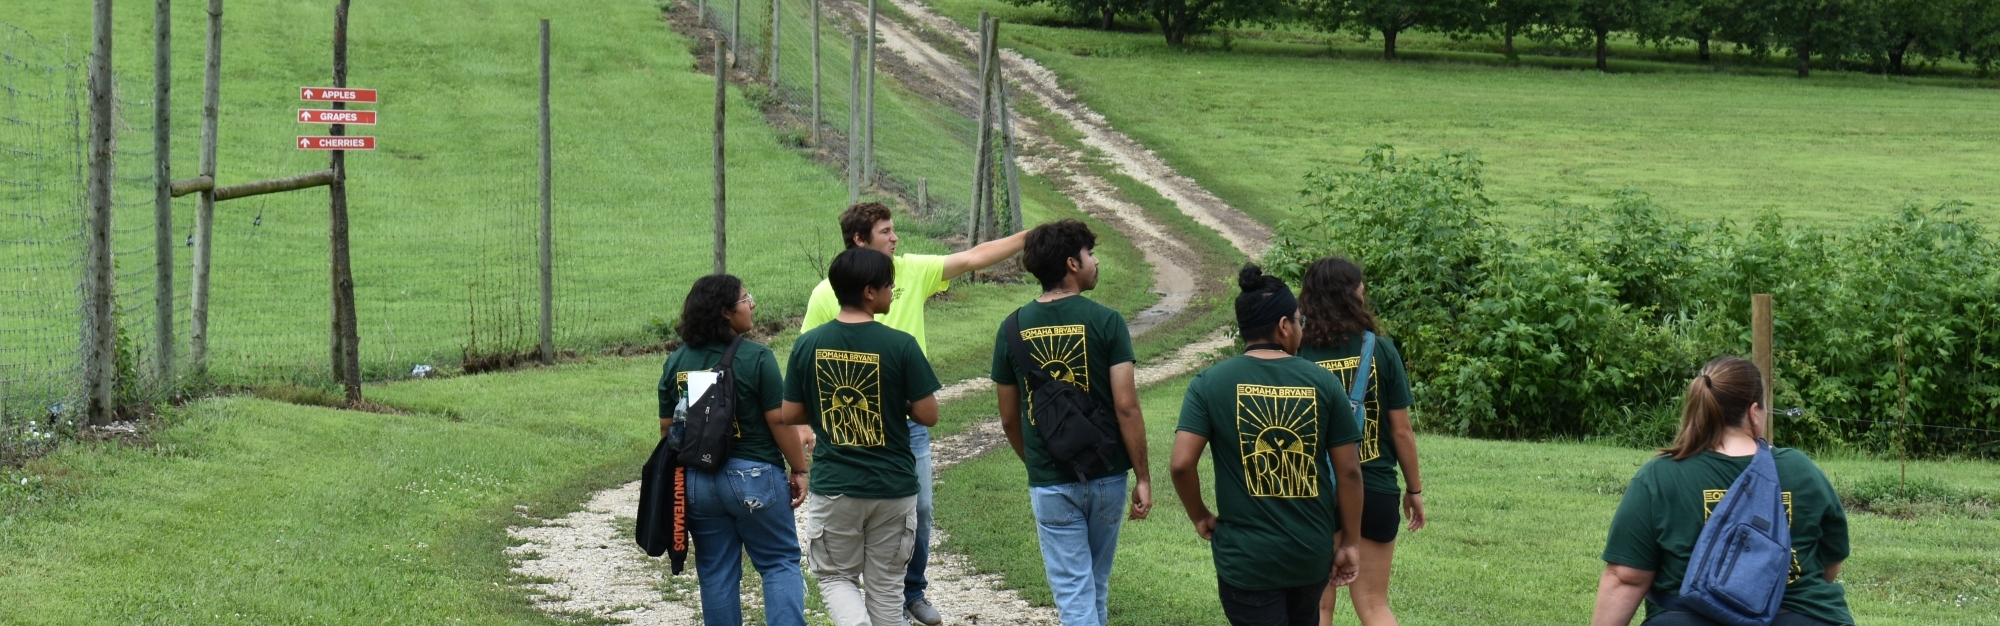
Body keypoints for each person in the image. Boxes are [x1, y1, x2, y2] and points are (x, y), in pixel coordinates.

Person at [800, 202, 1028, 626]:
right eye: (886, 231)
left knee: (918, 511)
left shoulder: (912, 270)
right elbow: (805, 359)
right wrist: (803, 426)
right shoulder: (825, 295)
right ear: (860, 240)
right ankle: (871, 595)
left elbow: (974, 256)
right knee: (861, 513)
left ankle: (911, 594)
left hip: (908, 424)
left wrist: (1031, 238)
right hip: (852, 421)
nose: (895, 237)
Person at [1590, 356, 1854, 626]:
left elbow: (1626, 577)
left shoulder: (1659, 476)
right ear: (1754, 412)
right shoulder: (1801, 469)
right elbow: (1829, 565)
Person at [1171, 265, 1367, 626]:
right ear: (1282, 326)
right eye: (1298, 320)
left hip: (1246, 560)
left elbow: (1182, 464)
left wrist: (1199, 515)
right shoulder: (1323, 383)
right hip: (1310, 554)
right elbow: (1350, 471)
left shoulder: (1208, 383)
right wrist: (1350, 543)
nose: (1300, 327)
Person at [990, 219, 1151, 625]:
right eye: (1090, 254)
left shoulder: (1011, 329)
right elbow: (1127, 406)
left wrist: (1038, 464)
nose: (1096, 262)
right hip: (1108, 473)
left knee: (1076, 591)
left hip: (1051, 477)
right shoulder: (1107, 321)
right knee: (1092, 586)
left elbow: (1009, 418)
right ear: (1071, 264)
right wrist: (1143, 477)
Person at [782, 248, 943, 626]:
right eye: (889, 284)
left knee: (836, 576)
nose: (893, 290)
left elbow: (790, 413)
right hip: (893, 486)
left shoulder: (808, 344)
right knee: (887, 588)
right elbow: (928, 414)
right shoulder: (901, 344)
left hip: (837, 485)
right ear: (869, 292)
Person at [658, 274, 813, 626]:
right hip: (754, 477)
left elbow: (668, 430)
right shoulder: (757, 357)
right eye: (746, 298)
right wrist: (799, 469)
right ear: (726, 312)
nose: (752, 304)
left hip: (698, 482)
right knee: (778, 563)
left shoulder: (676, 362)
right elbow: (779, 421)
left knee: (716, 572)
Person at [1296, 258, 1426, 626]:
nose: (1365, 289)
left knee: (1319, 609)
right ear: (1353, 294)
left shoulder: (1297, 352)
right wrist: (1414, 489)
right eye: (1361, 284)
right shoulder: (1379, 350)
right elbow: (1401, 429)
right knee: (1373, 604)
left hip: (1316, 491)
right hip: (1376, 488)